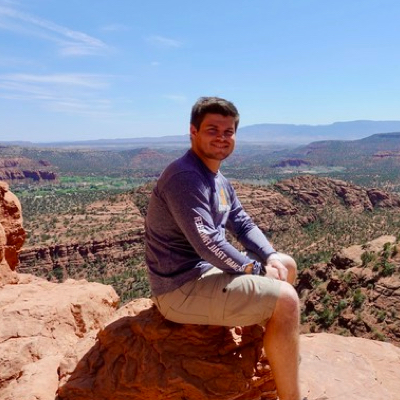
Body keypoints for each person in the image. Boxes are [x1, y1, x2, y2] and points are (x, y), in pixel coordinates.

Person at [145, 96, 301, 400]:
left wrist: (269, 256)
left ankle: (274, 348)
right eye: (212, 130)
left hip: (205, 274)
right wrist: (257, 269)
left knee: (287, 264)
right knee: (287, 301)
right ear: (193, 132)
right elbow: (209, 244)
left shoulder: (217, 179)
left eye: (228, 131)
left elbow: (242, 223)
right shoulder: (185, 177)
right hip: (179, 289)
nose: (221, 138)